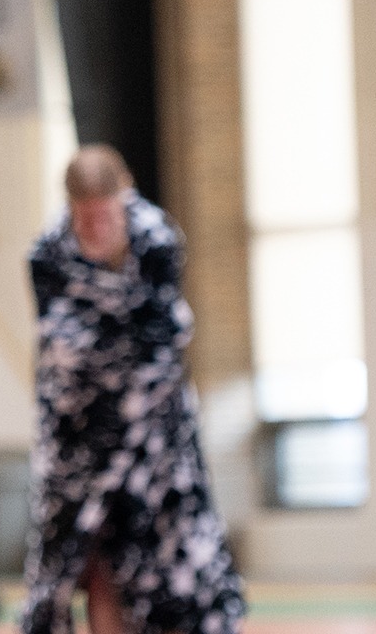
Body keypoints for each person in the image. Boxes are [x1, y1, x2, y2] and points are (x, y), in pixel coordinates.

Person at [21, 145, 246, 634]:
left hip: (156, 439)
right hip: (78, 438)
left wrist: (111, 346)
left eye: (104, 216)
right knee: (95, 563)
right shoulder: (47, 256)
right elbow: (60, 352)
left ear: (124, 200)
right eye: (85, 219)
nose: (95, 230)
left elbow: (164, 338)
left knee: (170, 570)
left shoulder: (157, 241)